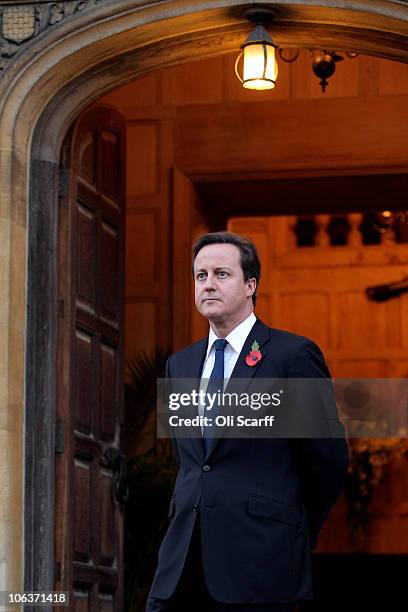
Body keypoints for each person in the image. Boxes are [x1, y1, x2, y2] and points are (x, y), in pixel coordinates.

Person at [146, 231, 349, 612]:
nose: (208, 284)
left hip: (261, 560)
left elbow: (329, 459)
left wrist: (290, 525)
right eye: (200, 275)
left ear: (250, 285)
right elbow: (191, 463)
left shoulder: (293, 355)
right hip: (182, 564)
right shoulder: (179, 366)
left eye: (221, 274)